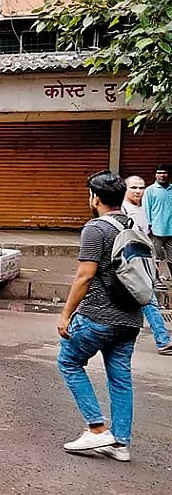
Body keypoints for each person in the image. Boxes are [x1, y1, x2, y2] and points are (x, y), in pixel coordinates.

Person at [57, 171, 143, 463]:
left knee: (69, 361)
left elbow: (85, 275)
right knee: (120, 379)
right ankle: (120, 444)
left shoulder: (96, 229)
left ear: (94, 198)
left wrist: (66, 314)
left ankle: (96, 428)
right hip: (130, 317)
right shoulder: (132, 226)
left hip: (99, 315)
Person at [124, 176, 171, 354]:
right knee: (148, 300)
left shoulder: (143, 209)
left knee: (144, 301)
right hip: (129, 264)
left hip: (142, 263)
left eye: (141, 187)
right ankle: (163, 340)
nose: (138, 191)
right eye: (133, 187)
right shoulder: (122, 209)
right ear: (124, 189)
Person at [145, 163, 172, 287]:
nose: (161, 175)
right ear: (155, 175)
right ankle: (156, 280)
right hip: (156, 230)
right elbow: (146, 209)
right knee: (154, 257)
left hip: (171, 230)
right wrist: (148, 226)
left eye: (164, 172)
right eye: (159, 173)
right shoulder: (150, 190)